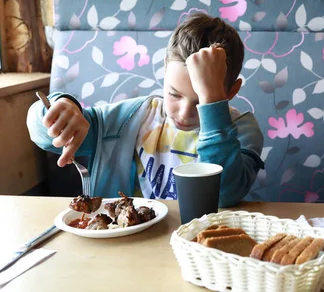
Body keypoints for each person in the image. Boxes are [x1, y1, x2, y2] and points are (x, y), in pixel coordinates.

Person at [27, 13, 264, 207]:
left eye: (201, 102)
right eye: (174, 94)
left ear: (231, 91)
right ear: (164, 71)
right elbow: (46, 139)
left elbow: (225, 195)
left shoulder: (242, 129)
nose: (183, 113)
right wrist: (60, 108)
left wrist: (213, 103)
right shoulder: (133, 119)